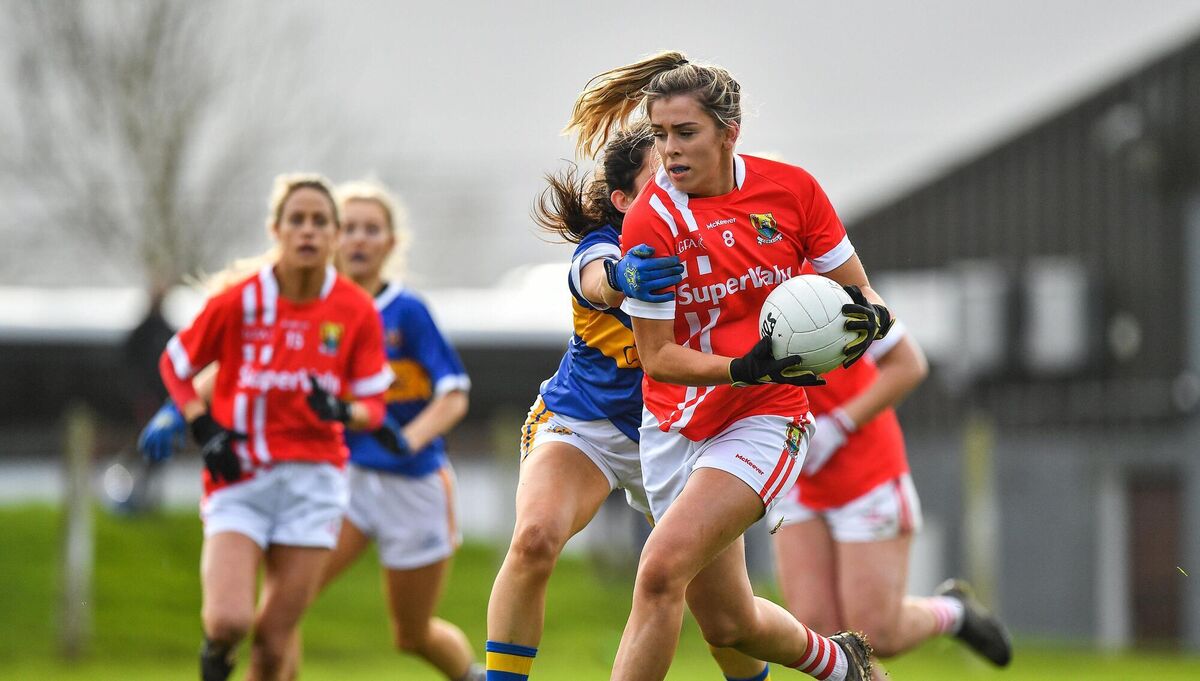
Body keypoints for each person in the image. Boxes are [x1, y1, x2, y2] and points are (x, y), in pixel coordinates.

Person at [566, 51, 895, 681]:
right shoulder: (651, 223)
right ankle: (842, 664)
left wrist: (868, 323)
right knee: (730, 624)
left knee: (659, 572)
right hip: (674, 424)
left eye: (685, 133)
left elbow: (862, 295)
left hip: (766, 417)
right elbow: (658, 358)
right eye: (660, 135)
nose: (670, 151)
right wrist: (742, 365)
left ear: (728, 132)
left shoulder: (791, 191)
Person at [157, 173, 393, 681]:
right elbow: (175, 365)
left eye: (319, 222)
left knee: (272, 640)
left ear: (333, 234)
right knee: (228, 620)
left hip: (315, 485)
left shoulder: (355, 310)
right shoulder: (239, 301)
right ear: (276, 230)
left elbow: (374, 405)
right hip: (239, 476)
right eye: (297, 220)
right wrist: (201, 426)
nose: (308, 231)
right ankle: (216, 654)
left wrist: (341, 411)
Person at [483, 125, 687, 681]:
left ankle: (834, 662)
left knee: (729, 618)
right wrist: (624, 276)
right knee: (534, 539)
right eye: (658, 180)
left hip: (678, 437)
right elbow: (594, 279)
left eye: (679, 173)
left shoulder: (712, 239)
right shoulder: (602, 245)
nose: (674, 187)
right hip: (585, 423)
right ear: (622, 202)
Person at [767, 275, 1012, 679]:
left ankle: (954, 613)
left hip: (866, 473)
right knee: (820, 634)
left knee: (877, 633)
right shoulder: (727, 277)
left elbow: (909, 365)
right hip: (800, 475)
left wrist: (839, 425)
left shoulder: (829, 283)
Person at [287, 179, 482, 681]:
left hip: (413, 483)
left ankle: (473, 677)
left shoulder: (407, 311)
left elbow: (454, 394)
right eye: (348, 228)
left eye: (371, 229)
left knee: (411, 635)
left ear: (390, 243)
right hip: (344, 483)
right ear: (331, 237)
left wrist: (407, 437)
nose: (358, 239)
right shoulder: (313, 309)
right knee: (283, 605)